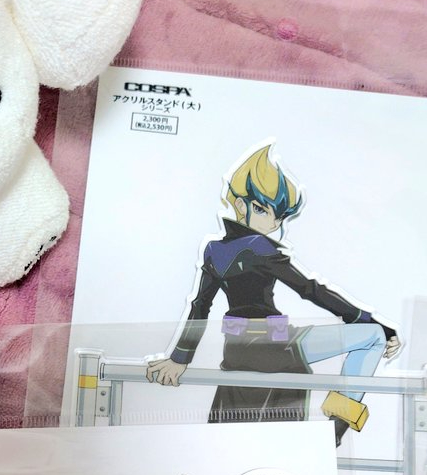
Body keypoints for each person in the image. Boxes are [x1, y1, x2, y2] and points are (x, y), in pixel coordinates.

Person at [146, 144, 400, 443]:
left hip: (237, 348)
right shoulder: (260, 247)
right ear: (241, 205)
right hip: (275, 344)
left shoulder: (213, 250)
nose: (274, 223)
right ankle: (335, 429)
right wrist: (373, 322)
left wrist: (180, 358)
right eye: (263, 209)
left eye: (279, 216)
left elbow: (200, 307)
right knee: (373, 336)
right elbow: (310, 289)